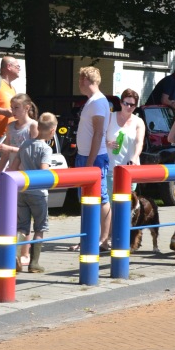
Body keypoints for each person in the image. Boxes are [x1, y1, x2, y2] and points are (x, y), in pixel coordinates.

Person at [15, 113, 57, 273]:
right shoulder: (46, 149)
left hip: (22, 191)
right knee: (40, 227)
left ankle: (15, 256)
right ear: (52, 131)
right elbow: (44, 172)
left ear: (37, 127)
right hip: (38, 194)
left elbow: (15, 166)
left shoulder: (25, 144)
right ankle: (34, 263)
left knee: (22, 227)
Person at [76, 67, 112, 251]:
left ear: (85, 80)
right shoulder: (94, 101)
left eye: (80, 79)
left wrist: (89, 163)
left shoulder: (97, 102)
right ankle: (88, 238)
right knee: (87, 199)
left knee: (101, 197)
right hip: (87, 156)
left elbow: (98, 133)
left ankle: (103, 239)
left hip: (94, 158)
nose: (79, 83)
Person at [105, 88, 146, 197]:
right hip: (112, 168)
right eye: (126, 103)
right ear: (121, 103)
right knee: (111, 202)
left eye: (132, 105)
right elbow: (100, 136)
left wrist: (135, 157)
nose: (128, 107)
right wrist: (108, 143)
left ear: (135, 106)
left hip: (131, 169)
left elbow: (139, 142)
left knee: (127, 203)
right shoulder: (110, 117)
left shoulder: (138, 122)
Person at [0, 93, 38, 190]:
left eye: (16, 107)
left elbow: (34, 152)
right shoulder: (10, 127)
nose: (13, 110)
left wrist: (9, 148)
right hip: (14, 173)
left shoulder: (33, 125)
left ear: (27, 107)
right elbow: (5, 155)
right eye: (12, 107)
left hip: (29, 175)